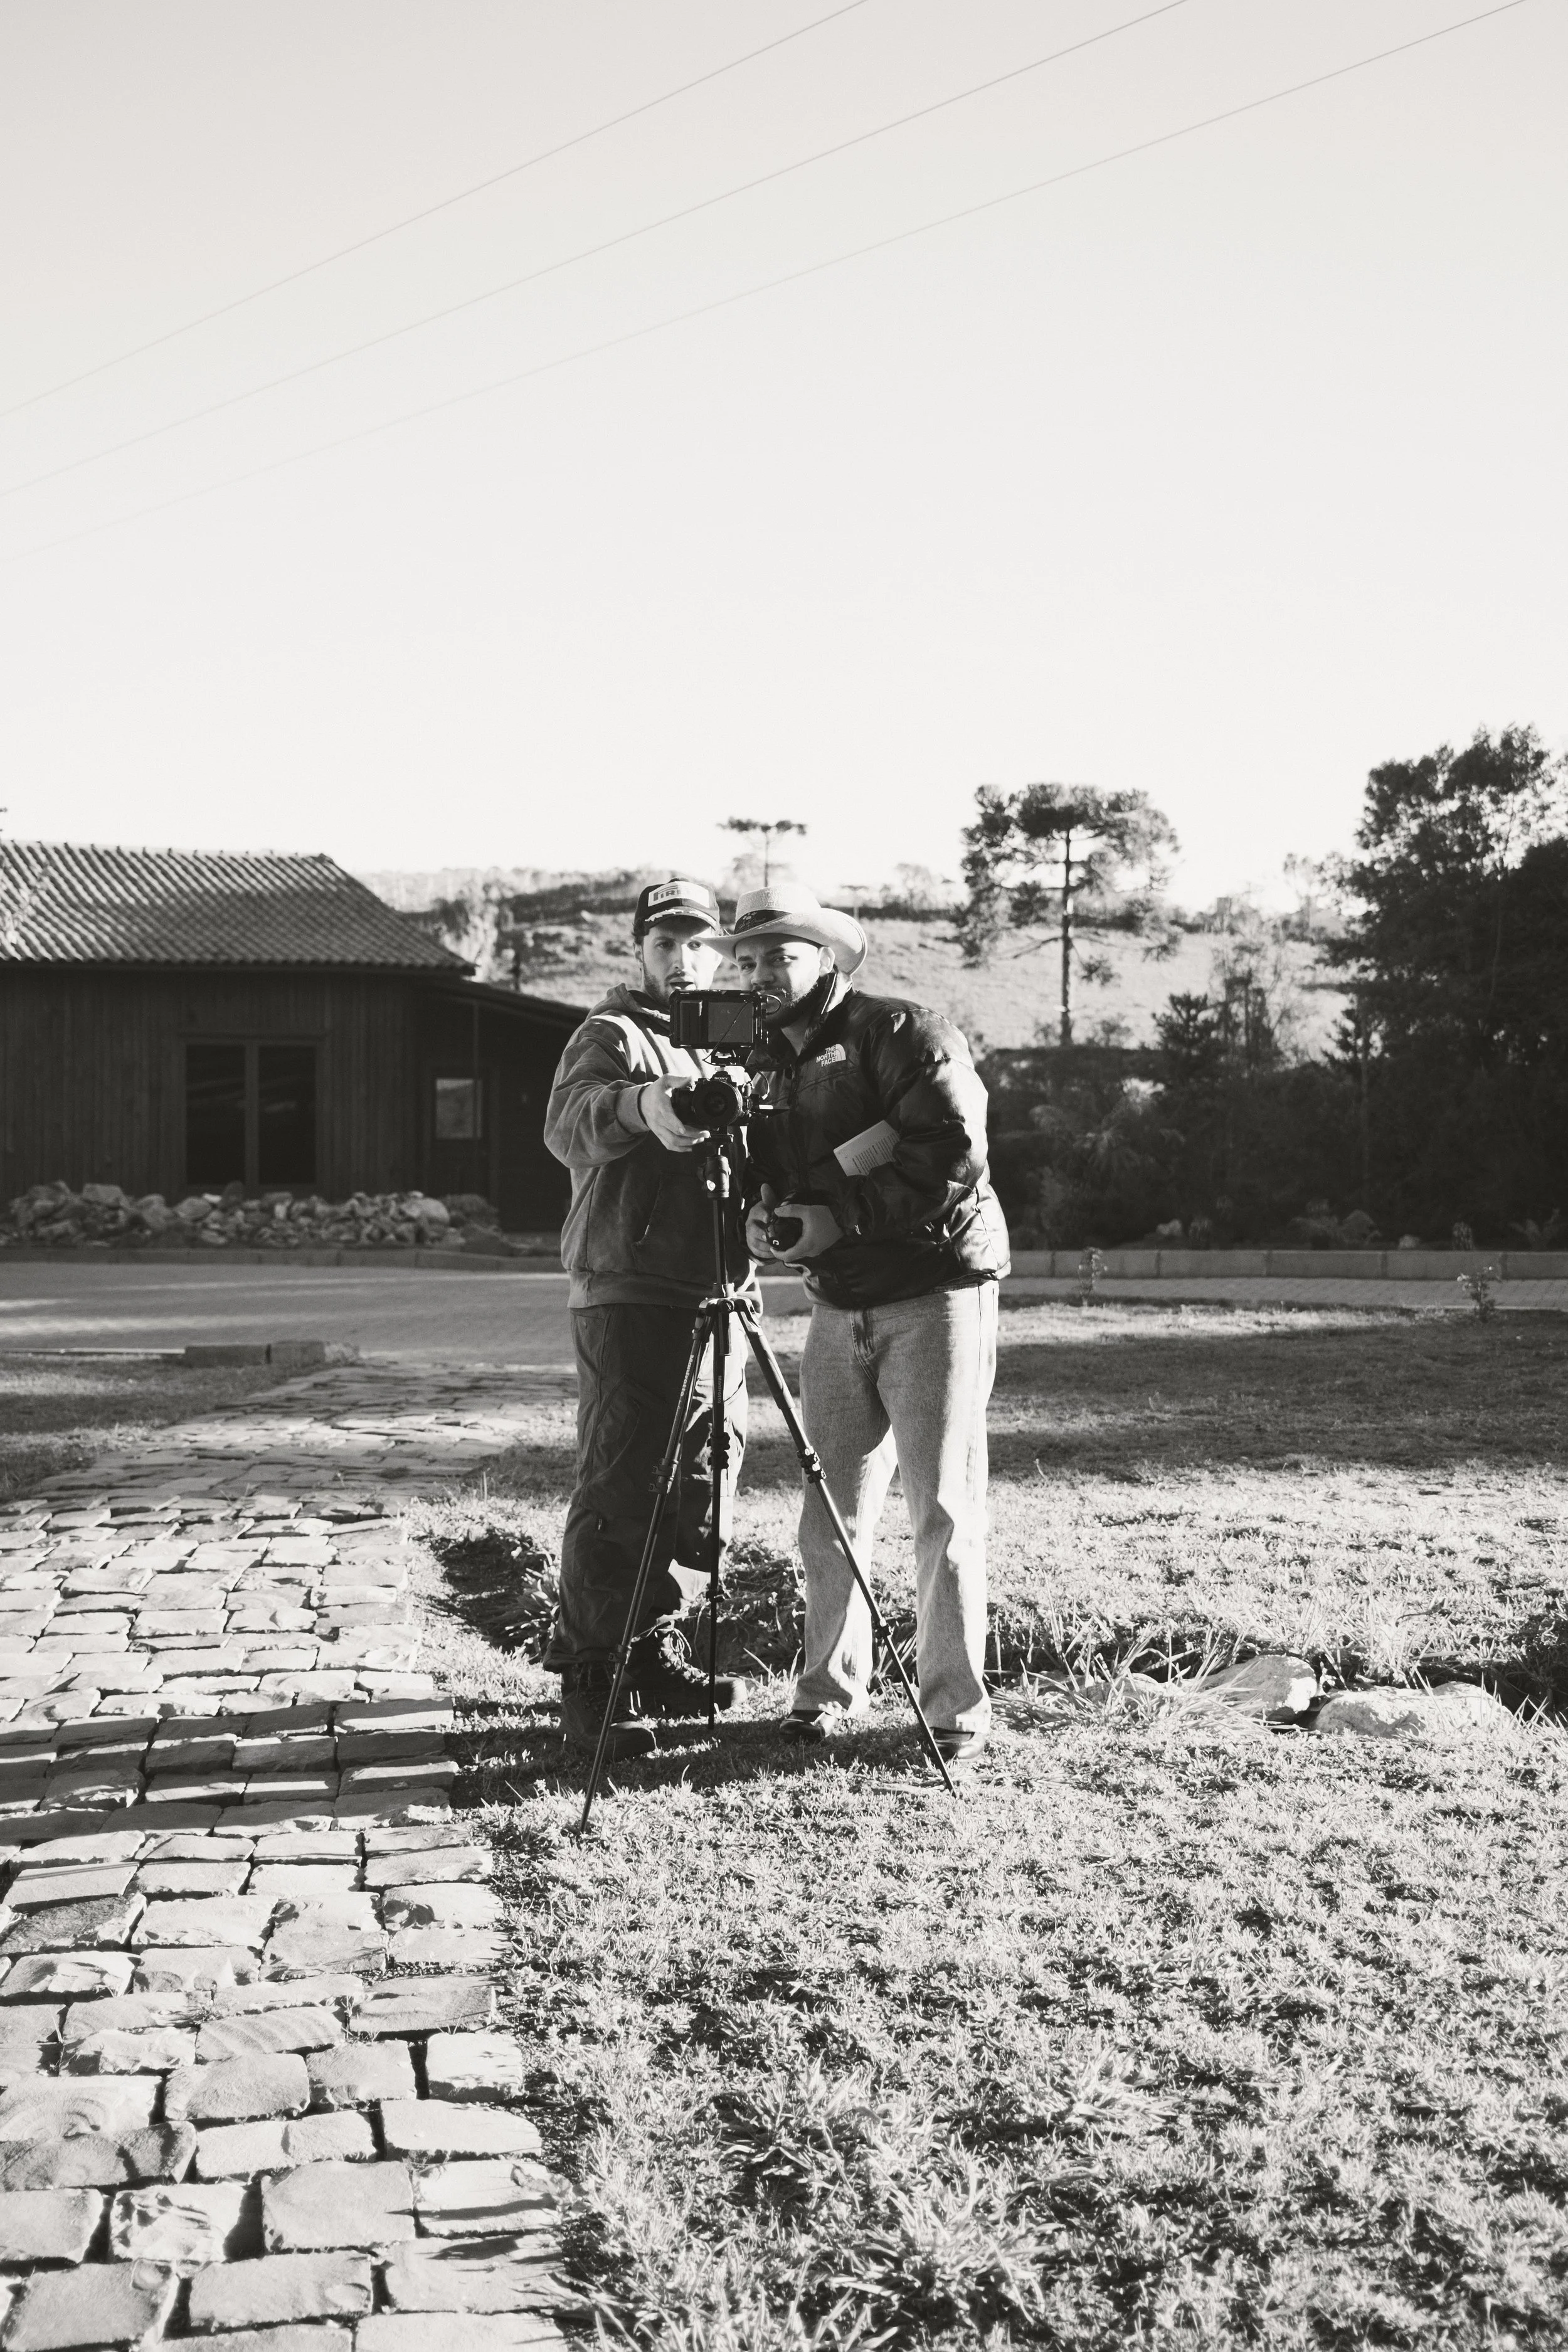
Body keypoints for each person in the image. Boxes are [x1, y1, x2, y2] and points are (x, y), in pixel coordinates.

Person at [733, 882, 1009, 1765]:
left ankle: (955, 1710)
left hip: (936, 1294)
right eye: (748, 960)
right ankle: (827, 1692)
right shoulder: (765, 1061)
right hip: (834, 1305)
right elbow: (774, 1176)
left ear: (828, 958)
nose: (762, 972)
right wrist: (760, 1217)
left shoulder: (906, 1032)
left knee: (943, 1509)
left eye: (780, 953)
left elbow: (955, 1151)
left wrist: (839, 1218)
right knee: (830, 1513)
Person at [543, 877, 752, 1758]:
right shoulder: (612, 1033)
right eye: (665, 941)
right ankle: (592, 1672)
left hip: (718, 1293)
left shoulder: (734, 1039)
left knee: (697, 1486)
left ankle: (649, 1647)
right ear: (640, 950)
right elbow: (569, 1123)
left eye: (697, 941)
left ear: (720, 951)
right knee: (623, 1482)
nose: (682, 956)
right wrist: (644, 1104)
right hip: (628, 1287)